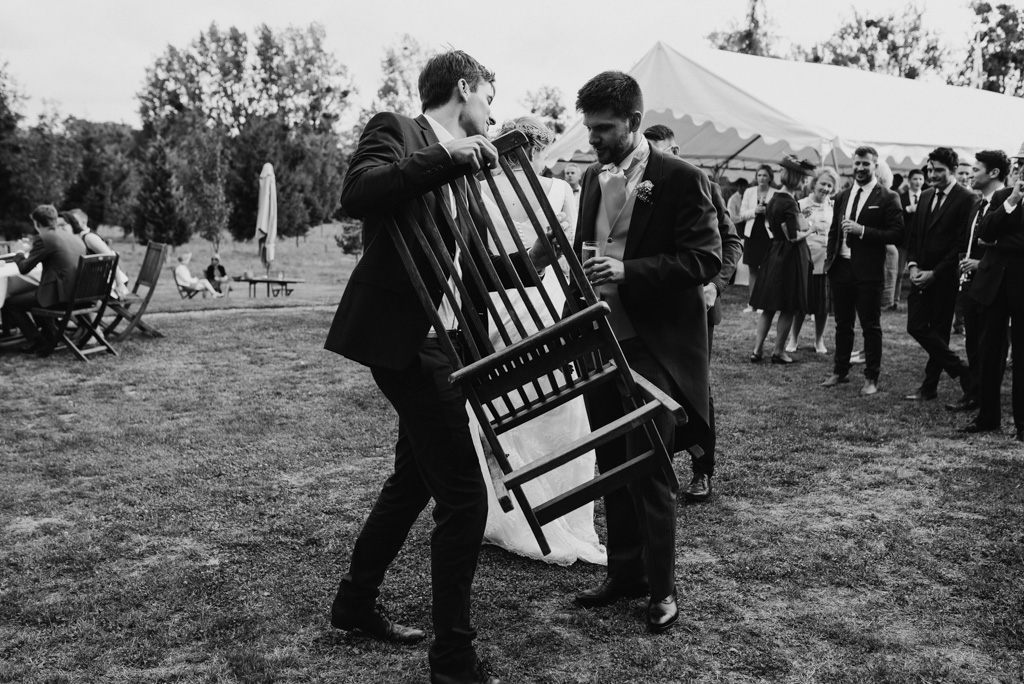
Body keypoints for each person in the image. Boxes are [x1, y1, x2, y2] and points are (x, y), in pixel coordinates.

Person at [323, 50, 557, 684]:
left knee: (413, 482)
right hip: (409, 343)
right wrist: (444, 158)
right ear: (464, 89)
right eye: (489, 96)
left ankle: (354, 601)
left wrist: (536, 258)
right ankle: (453, 657)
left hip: (452, 342)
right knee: (464, 495)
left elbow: (476, 265)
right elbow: (358, 194)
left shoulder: (465, 176)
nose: (492, 111)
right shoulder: (399, 131)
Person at [570, 71, 721, 634]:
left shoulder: (683, 178)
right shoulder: (590, 178)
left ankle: (662, 589)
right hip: (601, 341)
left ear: (634, 122)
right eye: (590, 129)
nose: (594, 139)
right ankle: (624, 574)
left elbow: (704, 259)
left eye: (604, 128)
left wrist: (629, 270)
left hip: (655, 347)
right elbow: (586, 250)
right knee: (611, 460)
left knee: (651, 467)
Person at [475, 115, 605, 566]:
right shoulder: (557, 191)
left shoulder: (479, 191)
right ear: (536, 150)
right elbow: (567, 255)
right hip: (542, 302)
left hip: (493, 302)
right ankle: (561, 513)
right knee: (554, 401)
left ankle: (505, 512)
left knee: (502, 403)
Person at [642, 124, 743, 504]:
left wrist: (714, 285)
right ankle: (659, 464)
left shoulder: (701, 183)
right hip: (652, 304)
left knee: (695, 387)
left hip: (697, 306)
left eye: (659, 150)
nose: (652, 158)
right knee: (655, 387)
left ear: (676, 148)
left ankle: (703, 471)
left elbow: (731, 241)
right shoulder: (640, 185)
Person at [820, 147, 905, 396]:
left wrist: (863, 231)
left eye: (865, 164)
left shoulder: (888, 197)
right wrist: (830, 260)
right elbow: (835, 230)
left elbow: (898, 234)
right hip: (841, 268)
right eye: (857, 163)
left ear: (875, 165)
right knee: (843, 324)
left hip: (869, 271)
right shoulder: (844, 195)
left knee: (870, 325)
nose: (859, 168)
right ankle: (840, 371)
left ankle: (871, 377)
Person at [903, 147, 976, 402]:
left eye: (939, 171)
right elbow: (913, 236)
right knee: (916, 326)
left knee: (941, 331)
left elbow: (960, 244)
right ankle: (961, 370)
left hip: (944, 278)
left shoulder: (967, 198)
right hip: (919, 274)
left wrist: (934, 273)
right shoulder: (923, 196)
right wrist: (912, 266)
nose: (932, 175)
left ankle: (929, 387)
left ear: (954, 170)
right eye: (930, 169)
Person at [961, 149, 1020, 436]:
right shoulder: (1002, 197)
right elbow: (985, 233)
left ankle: (1022, 425)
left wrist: (1000, 242)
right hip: (992, 286)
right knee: (988, 353)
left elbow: (995, 239)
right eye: (1021, 165)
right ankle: (988, 418)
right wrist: (1011, 202)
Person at [950, 150, 1010, 416]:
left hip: (994, 285)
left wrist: (981, 264)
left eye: (976, 169)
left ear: (993, 173)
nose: (971, 174)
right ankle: (973, 393)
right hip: (969, 284)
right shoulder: (977, 204)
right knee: (972, 341)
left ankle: (987, 401)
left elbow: (1006, 246)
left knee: (990, 347)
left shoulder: (1008, 203)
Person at [748, 156, 816, 365]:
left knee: (768, 306)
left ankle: (757, 350)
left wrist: (799, 216)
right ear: (797, 179)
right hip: (790, 257)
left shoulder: (775, 198)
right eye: (804, 178)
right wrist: (811, 229)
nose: (806, 182)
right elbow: (794, 236)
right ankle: (778, 351)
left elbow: (776, 226)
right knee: (788, 305)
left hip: (774, 252)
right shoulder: (789, 203)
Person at [1, 204, 87, 356]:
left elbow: (24, 268)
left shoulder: (44, 238)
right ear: (54, 219)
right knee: (34, 294)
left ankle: (38, 341)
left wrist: (18, 252)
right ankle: (50, 337)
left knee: (11, 303)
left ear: (37, 223)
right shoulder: (72, 236)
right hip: (81, 294)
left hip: (62, 297)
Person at [789, 166, 838, 355]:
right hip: (805, 261)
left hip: (827, 263)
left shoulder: (834, 206)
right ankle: (793, 338)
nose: (825, 188)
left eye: (829, 185)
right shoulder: (800, 204)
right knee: (800, 304)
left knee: (823, 307)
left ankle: (819, 340)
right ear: (814, 183)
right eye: (823, 183)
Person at [60, 210, 129, 298]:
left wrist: (119, 284)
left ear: (84, 222)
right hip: (96, 278)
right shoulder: (78, 236)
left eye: (74, 220)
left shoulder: (89, 237)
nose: (72, 223)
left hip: (112, 278)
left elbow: (111, 257)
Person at [737, 165, 777, 310]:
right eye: (759, 175)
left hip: (768, 235)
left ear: (770, 178)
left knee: (766, 270)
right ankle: (752, 303)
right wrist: (755, 211)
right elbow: (742, 214)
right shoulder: (749, 192)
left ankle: (763, 304)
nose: (761, 178)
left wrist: (769, 213)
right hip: (752, 234)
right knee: (753, 269)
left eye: (765, 175)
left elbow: (779, 215)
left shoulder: (776, 193)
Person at [895, 168, 927, 311]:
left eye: (920, 179)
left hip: (920, 243)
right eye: (915, 179)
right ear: (909, 181)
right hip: (903, 241)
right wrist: (907, 209)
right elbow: (895, 216)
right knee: (899, 272)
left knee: (919, 271)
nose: (918, 182)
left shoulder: (928, 197)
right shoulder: (900, 197)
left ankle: (917, 300)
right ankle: (894, 299)